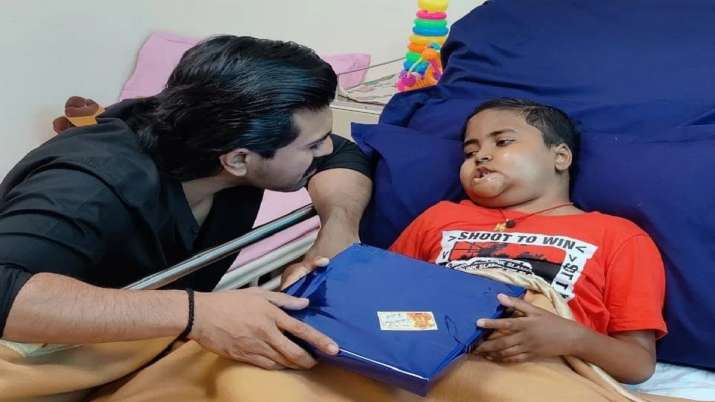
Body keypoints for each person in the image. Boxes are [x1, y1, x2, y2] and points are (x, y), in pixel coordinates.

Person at [0, 35, 372, 371]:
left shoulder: (219, 135)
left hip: (136, 349)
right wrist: (195, 313)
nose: (326, 148)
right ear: (238, 160)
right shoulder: (90, 188)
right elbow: (5, 290)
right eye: (313, 145)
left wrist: (336, 230)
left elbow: (343, 156)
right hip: (39, 359)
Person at [388, 98, 666, 384]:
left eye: (503, 142)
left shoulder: (619, 236)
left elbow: (638, 364)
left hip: (536, 374)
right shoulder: (439, 217)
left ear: (561, 157)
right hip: (426, 359)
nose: (481, 156)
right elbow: (381, 296)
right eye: (470, 152)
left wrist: (572, 338)